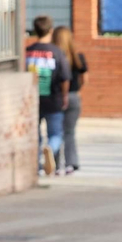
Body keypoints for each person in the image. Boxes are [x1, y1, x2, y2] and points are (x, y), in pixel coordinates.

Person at [24, 15, 69, 176]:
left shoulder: (28, 52)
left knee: (34, 135)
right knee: (55, 134)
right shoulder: (57, 52)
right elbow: (65, 78)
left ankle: (36, 167)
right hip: (53, 99)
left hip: (33, 100)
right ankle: (50, 148)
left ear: (35, 30)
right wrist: (65, 96)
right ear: (51, 30)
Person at [51, 25, 87, 176]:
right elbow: (84, 79)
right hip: (73, 96)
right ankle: (71, 164)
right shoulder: (78, 58)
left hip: (57, 97)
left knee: (56, 132)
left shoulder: (53, 57)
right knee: (70, 132)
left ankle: (56, 165)